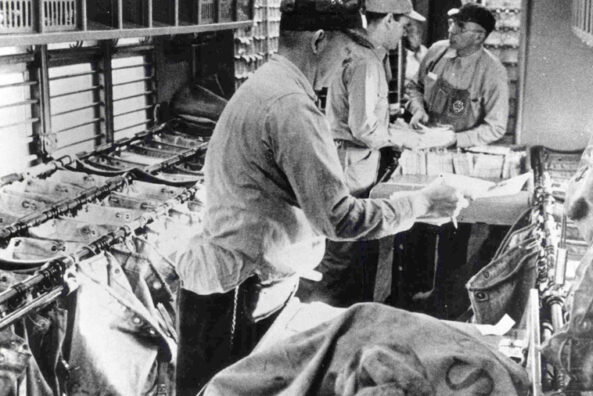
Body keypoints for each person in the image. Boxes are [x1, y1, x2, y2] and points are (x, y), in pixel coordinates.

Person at [173, 0, 467, 394]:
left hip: (229, 283)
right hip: (236, 294)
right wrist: (423, 203)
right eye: (345, 50)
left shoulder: (268, 84)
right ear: (317, 40)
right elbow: (339, 219)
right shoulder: (290, 106)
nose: (347, 61)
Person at [297, 0, 425, 307]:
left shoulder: (354, 51)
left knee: (340, 248)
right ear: (389, 21)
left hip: (348, 158)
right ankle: (323, 318)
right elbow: (364, 127)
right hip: (351, 163)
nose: (405, 35)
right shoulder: (366, 61)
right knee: (341, 252)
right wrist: (402, 137)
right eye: (404, 26)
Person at [406, 2, 509, 147]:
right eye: (452, 23)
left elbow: (496, 127)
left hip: (462, 150)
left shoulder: (494, 72)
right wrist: (418, 109)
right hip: (424, 141)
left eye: (461, 27)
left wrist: (455, 139)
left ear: (479, 38)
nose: (451, 30)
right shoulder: (436, 51)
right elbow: (415, 88)